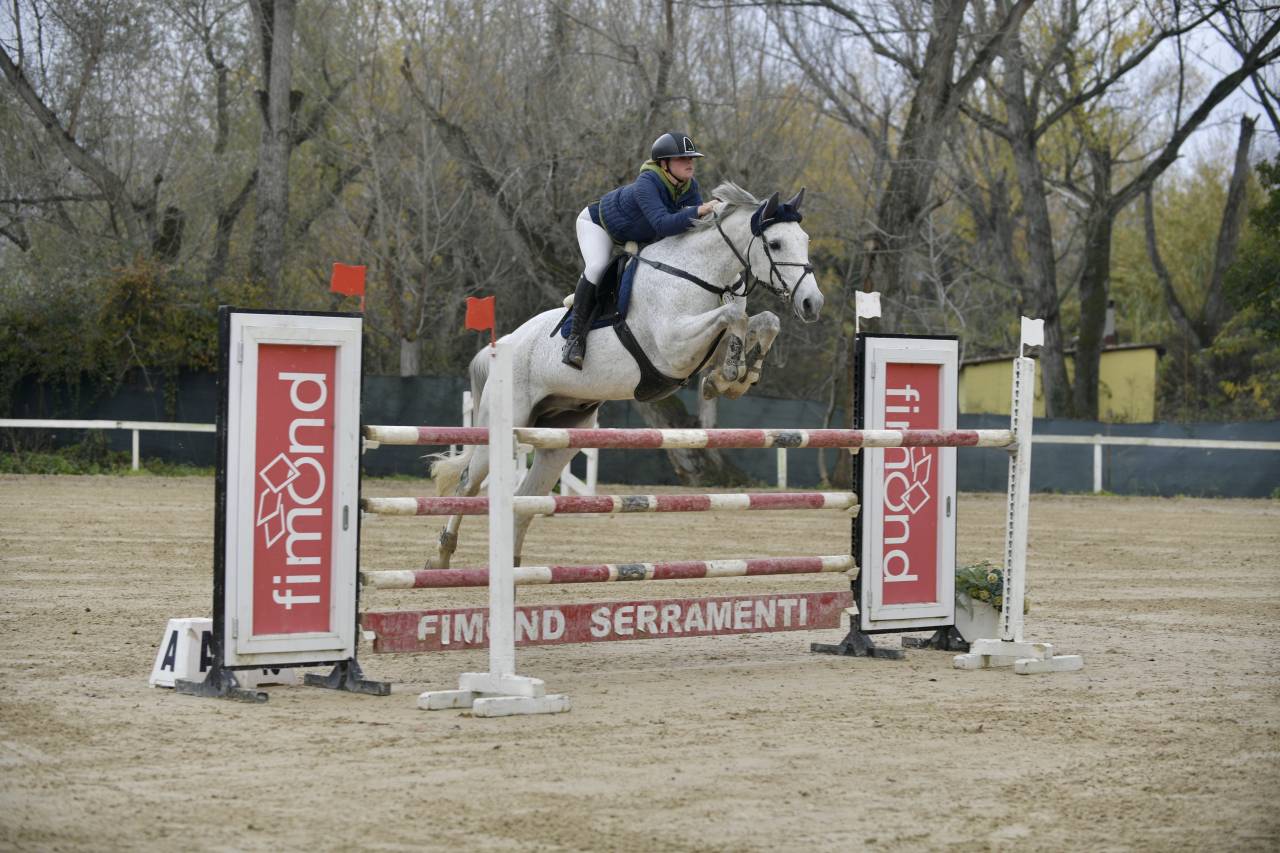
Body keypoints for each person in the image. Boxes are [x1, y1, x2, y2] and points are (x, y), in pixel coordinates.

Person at [562, 132, 718, 369]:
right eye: (682, 159)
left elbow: (690, 230)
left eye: (691, 158)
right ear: (664, 164)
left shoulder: (689, 186)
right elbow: (663, 224)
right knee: (597, 267)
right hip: (599, 225)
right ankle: (574, 340)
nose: (689, 163)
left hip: (637, 235)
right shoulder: (648, 183)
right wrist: (698, 211)